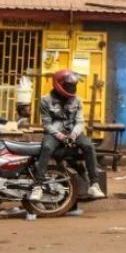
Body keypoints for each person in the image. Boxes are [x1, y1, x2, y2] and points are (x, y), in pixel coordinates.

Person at [32, 70, 105, 201]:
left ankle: (94, 184)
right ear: (59, 84)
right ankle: (38, 185)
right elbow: (47, 125)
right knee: (47, 147)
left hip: (73, 132)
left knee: (88, 145)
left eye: (74, 85)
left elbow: (80, 121)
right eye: (69, 85)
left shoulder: (77, 100)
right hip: (54, 133)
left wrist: (73, 134)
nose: (73, 88)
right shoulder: (45, 100)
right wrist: (60, 136)